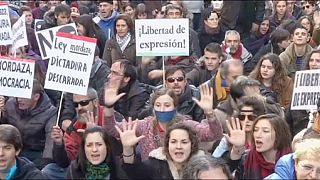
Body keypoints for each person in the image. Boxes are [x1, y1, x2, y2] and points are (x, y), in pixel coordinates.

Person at [103, 84, 223, 161]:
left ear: (175, 107)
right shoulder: (145, 125)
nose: (162, 109)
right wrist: (108, 107)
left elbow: (214, 134)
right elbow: (113, 128)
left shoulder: (186, 125)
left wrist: (209, 113)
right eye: (158, 105)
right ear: (153, 108)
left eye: (167, 105)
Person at [118, 122, 205, 179]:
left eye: (184, 142)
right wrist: (127, 148)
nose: (179, 146)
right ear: (167, 145)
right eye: (173, 142)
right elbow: (133, 171)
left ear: (192, 145)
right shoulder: (155, 163)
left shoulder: (203, 166)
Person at [3, 79, 57, 169]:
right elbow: (3, 127)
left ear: (36, 97)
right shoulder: (10, 103)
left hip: (35, 153)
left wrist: (45, 163)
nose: (19, 99)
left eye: (23, 96)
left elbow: (50, 142)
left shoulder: (50, 112)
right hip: (10, 148)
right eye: (18, 95)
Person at [227, 114, 292, 179]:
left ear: (279, 135)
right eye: (255, 130)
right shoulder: (247, 159)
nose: (258, 135)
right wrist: (237, 148)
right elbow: (228, 170)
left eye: (265, 131)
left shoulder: (292, 160)